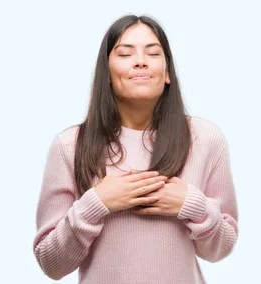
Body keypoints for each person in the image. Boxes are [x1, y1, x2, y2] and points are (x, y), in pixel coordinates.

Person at [32, 14, 239, 284]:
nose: (140, 61)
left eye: (153, 53)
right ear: (106, 73)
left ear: (167, 73)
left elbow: (220, 250)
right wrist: (97, 204)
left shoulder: (205, 139)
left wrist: (191, 205)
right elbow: (52, 264)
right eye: (125, 53)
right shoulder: (69, 146)